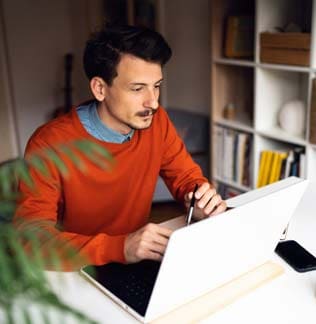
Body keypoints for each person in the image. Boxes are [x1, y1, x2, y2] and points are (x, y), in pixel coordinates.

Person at [14, 24, 226, 268]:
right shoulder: (49, 143)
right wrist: (120, 247)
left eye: (156, 85)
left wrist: (199, 200)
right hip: (75, 271)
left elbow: (186, 177)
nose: (153, 103)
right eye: (137, 89)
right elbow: (30, 241)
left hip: (135, 260)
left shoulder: (157, 122)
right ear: (100, 88)